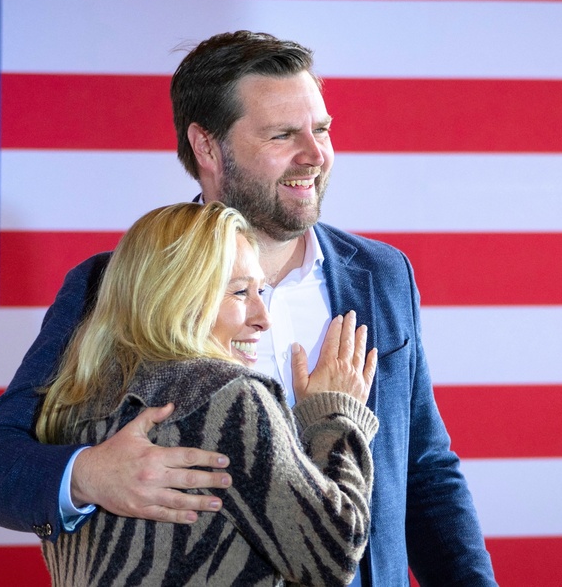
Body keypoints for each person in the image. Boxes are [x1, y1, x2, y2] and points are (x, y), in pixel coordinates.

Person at [0, 30, 497, 586]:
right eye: (283, 134)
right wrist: (88, 474)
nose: (315, 155)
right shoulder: (110, 285)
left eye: (322, 129)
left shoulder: (382, 274)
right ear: (208, 147)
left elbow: (424, 472)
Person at [38, 201, 378, 585]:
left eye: (259, 292)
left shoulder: (73, 396)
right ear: (176, 296)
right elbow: (333, 556)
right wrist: (335, 416)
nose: (262, 318)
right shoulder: (230, 397)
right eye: (238, 293)